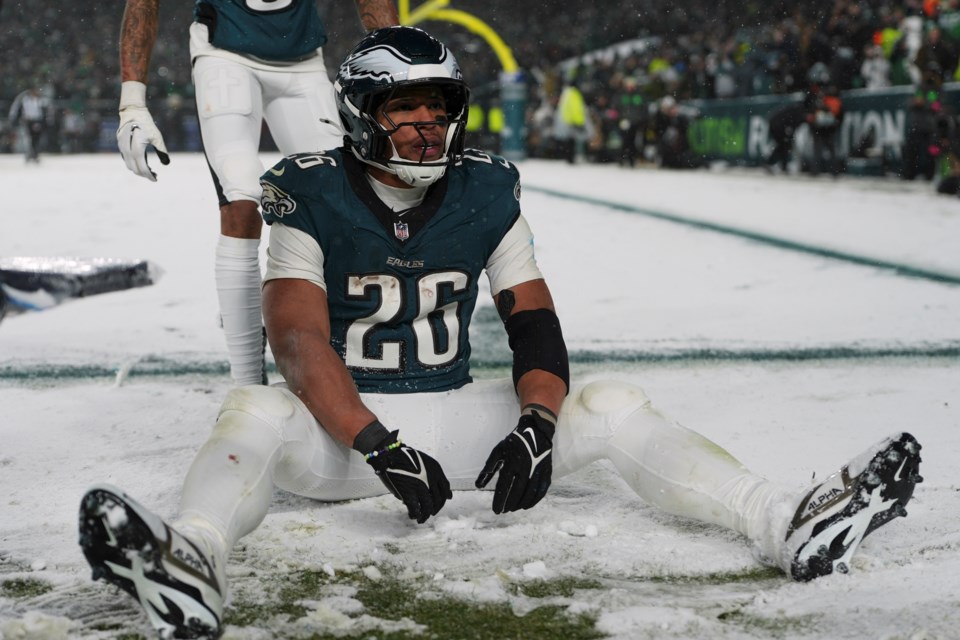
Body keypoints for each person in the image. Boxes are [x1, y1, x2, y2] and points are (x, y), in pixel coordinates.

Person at [79, 27, 924, 640]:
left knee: (614, 403)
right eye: (402, 111)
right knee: (253, 409)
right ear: (361, 115)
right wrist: (377, 443)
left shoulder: (488, 188)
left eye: (437, 110)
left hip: (453, 425)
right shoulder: (306, 186)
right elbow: (298, 343)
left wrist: (537, 425)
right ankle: (190, 562)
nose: (424, 128)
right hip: (344, 443)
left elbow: (535, 323)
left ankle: (787, 522)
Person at [116, 0, 399, 386]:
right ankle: (247, 384)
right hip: (224, 54)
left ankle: (346, 356)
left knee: (347, 200)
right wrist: (131, 102)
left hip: (302, 58)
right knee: (243, 201)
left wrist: (395, 62)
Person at [7, 86, 51, 163]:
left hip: (37, 121)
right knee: (29, 139)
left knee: (36, 138)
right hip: (28, 121)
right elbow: (18, 110)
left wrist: (43, 121)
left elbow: (44, 112)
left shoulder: (40, 100)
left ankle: (35, 154)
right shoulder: (25, 100)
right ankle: (30, 154)